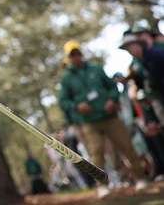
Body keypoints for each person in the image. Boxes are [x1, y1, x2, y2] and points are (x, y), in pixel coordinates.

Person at [57, 41, 148, 190]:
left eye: (77, 53)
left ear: (81, 53)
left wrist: (112, 99)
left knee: (126, 146)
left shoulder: (96, 69)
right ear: (68, 58)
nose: (76, 57)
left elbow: (112, 87)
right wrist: (77, 106)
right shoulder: (67, 79)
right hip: (89, 122)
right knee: (96, 153)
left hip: (110, 117)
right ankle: (102, 186)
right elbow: (63, 101)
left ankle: (139, 178)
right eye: (72, 55)